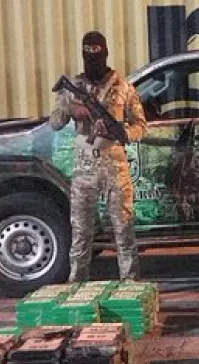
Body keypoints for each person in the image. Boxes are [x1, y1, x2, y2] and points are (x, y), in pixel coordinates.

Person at [50, 31, 147, 282]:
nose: (93, 64)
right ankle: (77, 286)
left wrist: (121, 132)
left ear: (106, 54)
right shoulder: (73, 88)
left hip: (114, 164)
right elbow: (55, 123)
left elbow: (140, 126)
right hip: (84, 166)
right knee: (81, 232)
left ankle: (130, 285)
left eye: (98, 57)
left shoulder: (123, 87)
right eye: (89, 58)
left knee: (123, 230)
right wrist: (72, 109)